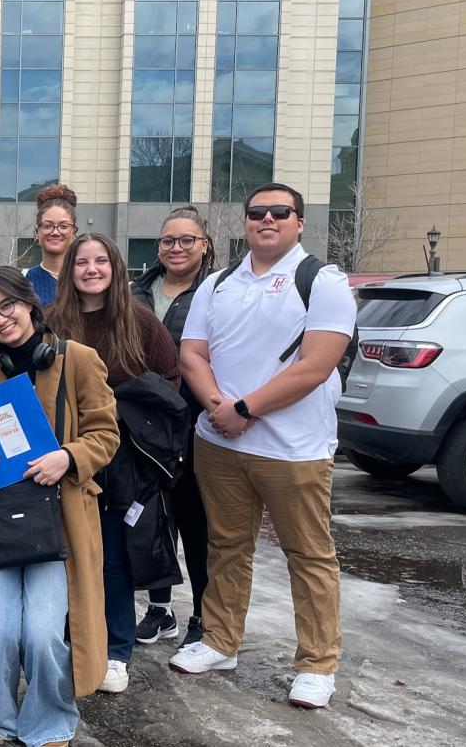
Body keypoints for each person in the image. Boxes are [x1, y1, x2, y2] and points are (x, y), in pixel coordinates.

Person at [167, 183, 356, 710]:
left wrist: (244, 409)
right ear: (245, 223)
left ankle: (317, 663)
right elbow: (192, 354)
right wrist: (216, 407)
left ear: (299, 222)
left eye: (279, 212)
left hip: (294, 449)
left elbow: (317, 366)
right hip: (219, 442)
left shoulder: (322, 281)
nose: (266, 219)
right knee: (226, 546)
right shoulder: (219, 282)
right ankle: (220, 641)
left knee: (309, 555)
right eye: (256, 213)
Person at [0, 266, 118, 747]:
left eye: (7, 306)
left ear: (28, 303)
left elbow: (107, 435)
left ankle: (50, 719)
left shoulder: (80, 360)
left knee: (47, 633)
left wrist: (68, 456)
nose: (0, 319)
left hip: (61, 519)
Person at [45, 233, 181, 694]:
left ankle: (115, 649)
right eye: (81, 262)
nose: (91, 269)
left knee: (111, 557)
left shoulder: (138, 321)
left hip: (123, 459)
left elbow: (171, 381)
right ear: (70, 271)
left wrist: (136, 420)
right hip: (64, 455)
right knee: (65, 553)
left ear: (115, 267)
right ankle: (69, 641)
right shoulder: (51, 322)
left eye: (100, 260)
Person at [129, 205, 216, 648]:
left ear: (204, 245)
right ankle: (160, 609)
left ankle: (204, 611)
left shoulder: (218, 291)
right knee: (151, 520)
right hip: (143, 428)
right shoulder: (137, 292)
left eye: (186, 240)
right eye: (168, 241)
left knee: (195, 522)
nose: (176, 248)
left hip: (195, 424)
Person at [22, 185, 78, 306]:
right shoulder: (22, 281)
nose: (55, 232)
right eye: (47, 226)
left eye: (63, 226)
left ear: (74, 232)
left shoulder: (86, 277)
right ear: (37, 232)